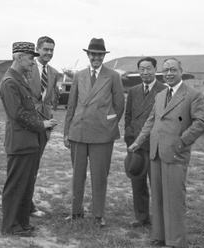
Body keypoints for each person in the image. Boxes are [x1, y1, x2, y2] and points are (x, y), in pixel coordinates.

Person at [128, 58, 204, 247]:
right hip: (155, 152)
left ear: (181, 71)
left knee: (174, 198)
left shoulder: (192, 95)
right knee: (158, 197)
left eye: (173, 70)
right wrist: (138, 142)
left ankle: (175, 240)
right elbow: (151, 121)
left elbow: (202, 122)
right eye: (165, 71)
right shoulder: (160, 94)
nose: (169, 74)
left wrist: (182, 141)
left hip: (175, 153)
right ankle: (160, 236)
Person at [63, 38, 125, 228]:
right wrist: (67, 132)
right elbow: (71, 105)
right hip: (78, 133)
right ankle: (76, 211)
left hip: (102, 135)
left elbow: (119, 105)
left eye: (99, 55)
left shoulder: (113, 76)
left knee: (99, 175)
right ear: (88, 55)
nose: (96, 58)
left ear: (103, 56)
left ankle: (98, 214)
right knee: (78, 174)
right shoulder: (79, 76)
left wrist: (107, 123)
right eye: (93, 54)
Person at [0, 41, 57, 237]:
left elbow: (29, 109)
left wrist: (44, 121)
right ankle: (10, 226)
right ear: (18, 57)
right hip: (20, 143)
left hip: (29, 142)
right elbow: (17, 114)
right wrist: (42, 125)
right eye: (30, 57)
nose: (33, 61)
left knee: (24, 185)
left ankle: (21, 223)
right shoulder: (10, 82)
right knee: (15, 185)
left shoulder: (20, 79)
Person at [124, 57, 167, 228]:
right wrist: (128, 133)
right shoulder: (133, 91)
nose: (145, 72)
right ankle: (142, 217)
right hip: (136, 145)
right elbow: (128, 115)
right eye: (141, 69)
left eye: (149, 68)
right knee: (138, 182)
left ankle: (160, 220)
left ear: (155, 70)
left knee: (157, 183)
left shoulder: (164, 90)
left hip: (155, 144)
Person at [26, 36, 60, 217]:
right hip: (28, 123)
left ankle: (28, 203)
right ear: (38, 49)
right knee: (26, 165)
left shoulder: (54, 73)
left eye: (52, 50)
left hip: (45, 126)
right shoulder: (27, 68)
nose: (48, 53)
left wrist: (49, 120)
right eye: (45, 49)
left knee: (35, 165)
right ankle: (24, 204)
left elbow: (50, 99)